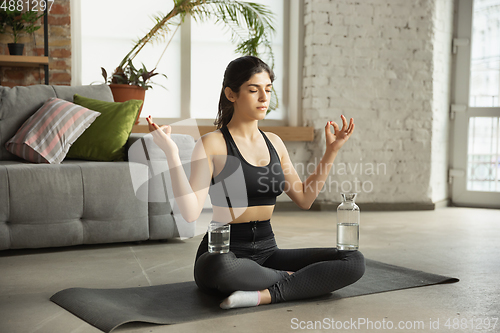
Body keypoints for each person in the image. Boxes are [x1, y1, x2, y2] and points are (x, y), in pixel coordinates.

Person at [146, 56, 365, 310]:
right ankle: (293, 281)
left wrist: (332, 150)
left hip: (268, 252)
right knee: (222, 267)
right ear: (231, 94)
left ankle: (261, 295)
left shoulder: (274, 142)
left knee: (353, 260)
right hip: (224, 253)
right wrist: (171, 154)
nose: (264, 97)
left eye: (268, 90)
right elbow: (190, 211)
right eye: (253, 90)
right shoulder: (212, 143)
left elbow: (305, 198)